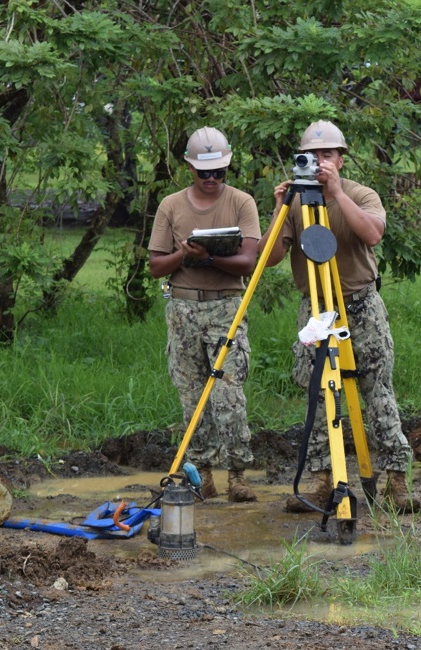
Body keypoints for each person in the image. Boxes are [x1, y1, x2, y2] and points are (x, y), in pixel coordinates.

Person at [258, 120, 421, 514]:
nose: (319, 162)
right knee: (318, 394)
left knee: (376, 392)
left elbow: (372, 234)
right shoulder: (296, 203)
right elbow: (270, 257)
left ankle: (396, 480)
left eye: (327, 155)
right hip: (317, 307)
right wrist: (280, 209)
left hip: (360, 305)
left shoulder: (360, 194)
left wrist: (334, 193)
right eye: (311, 157)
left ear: (341, 159)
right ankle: (321, 479)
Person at [148, 126, 261, 502]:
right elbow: (156, 265)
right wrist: (186, 254)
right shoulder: (171, 205)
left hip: (227, 305)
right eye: (204, 173)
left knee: (228, 394)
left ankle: (238, 474)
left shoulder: (242, 202)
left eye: (219, 173)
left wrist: (210, 257)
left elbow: (249, 260)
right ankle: (203, 475)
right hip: (182, 308)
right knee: (192, 396)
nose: (212, 180)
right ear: (190, 169)